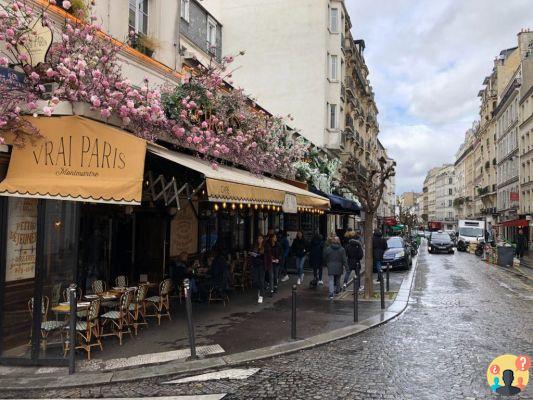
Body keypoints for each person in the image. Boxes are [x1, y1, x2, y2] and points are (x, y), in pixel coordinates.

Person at [250, 235, 266, 303]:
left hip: (262, 265)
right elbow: (252, 254)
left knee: (261, 280)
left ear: (263, 239)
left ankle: (261, 296)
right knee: (255, 280)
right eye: (258, 238)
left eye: (260, 238)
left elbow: (266, 256)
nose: (259, 240)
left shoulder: (265, 247)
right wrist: (252, 254)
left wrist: (260, 256)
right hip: (255, 265)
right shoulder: (255, 246)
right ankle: (260, 289)